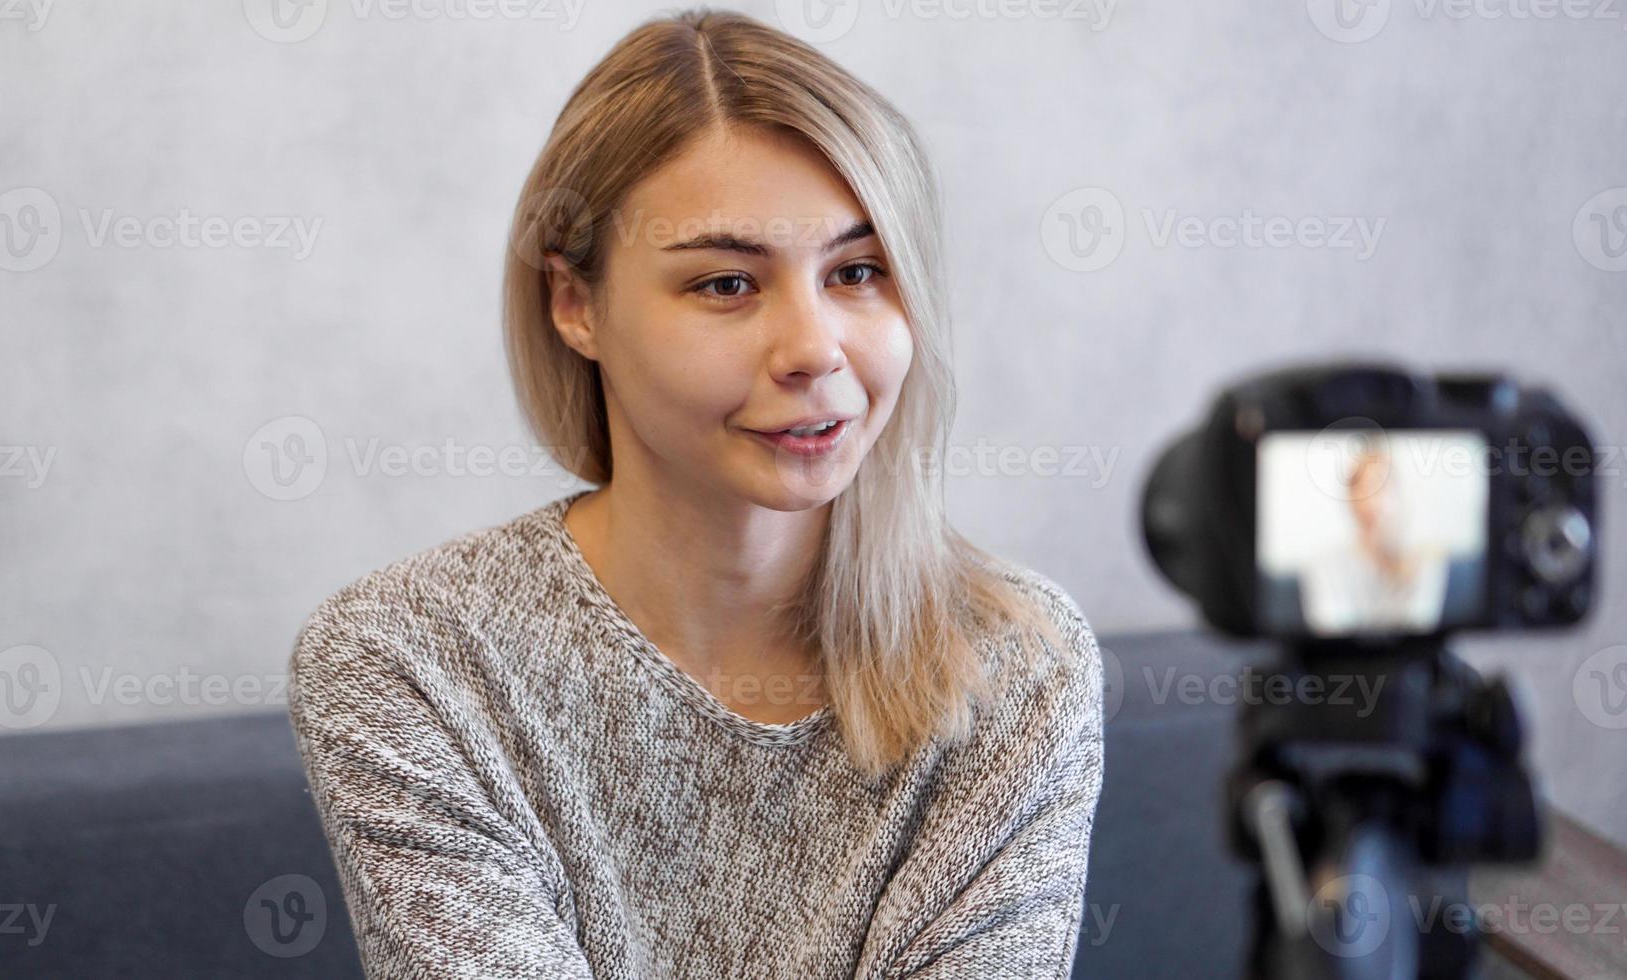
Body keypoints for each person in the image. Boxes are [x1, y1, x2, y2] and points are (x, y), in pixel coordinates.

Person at [286, 9, 1105, 978]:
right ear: (573, 303)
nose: (812, 349)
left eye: (856, 271)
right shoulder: (410, 658)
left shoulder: (1013, 666)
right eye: (725, 283)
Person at [1301, 436, 1454, 634]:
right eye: (1363, 488)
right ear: (1350, 500)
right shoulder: (1321, 565)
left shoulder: (1428, 561)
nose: (1374, 502)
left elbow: (1420, 631)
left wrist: (1402, 574)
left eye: (1384, 486)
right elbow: (1332, 633)